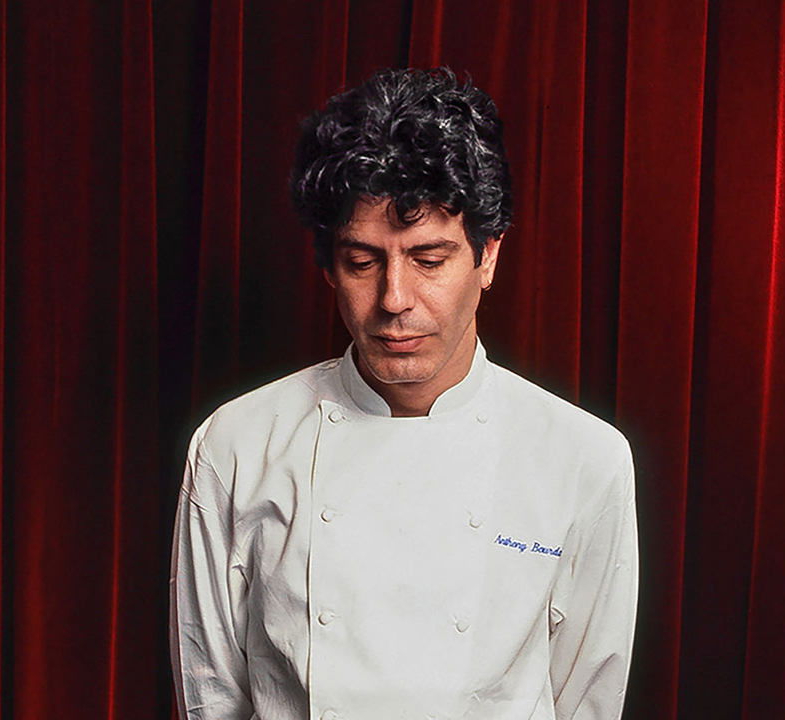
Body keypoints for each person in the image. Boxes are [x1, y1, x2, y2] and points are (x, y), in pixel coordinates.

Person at [169, 67, 638, 720]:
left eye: (428, 260)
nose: (394, 299)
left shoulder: (584, 458)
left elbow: (589, 701)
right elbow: (211, 698)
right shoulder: (236, 445)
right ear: (329, 268)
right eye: (362, 262)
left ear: (487, 256)